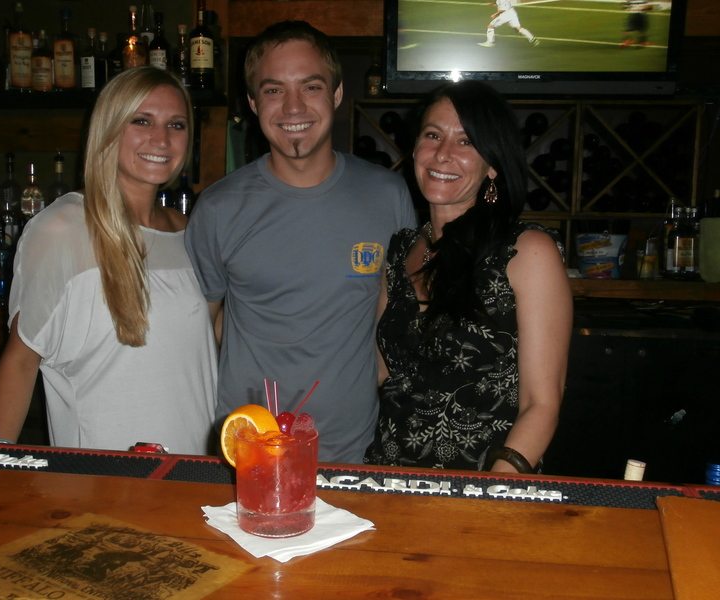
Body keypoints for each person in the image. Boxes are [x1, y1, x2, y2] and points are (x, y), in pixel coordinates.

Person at [185, 21, 416, 464]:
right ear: (253, 103)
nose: (293, 107)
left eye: (310, 86)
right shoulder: (217, 208)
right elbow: (201, 330)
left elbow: (392, 317)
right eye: (273, 90)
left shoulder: (388, 196)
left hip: (352, 454)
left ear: (336, 94)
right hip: (247, 453)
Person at [0, 66, 217, 454]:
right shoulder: (61, 229)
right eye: (141, 120)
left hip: (194, 475)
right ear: (109, 128)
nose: (161, 138)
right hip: (102, 478)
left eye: (176, 125)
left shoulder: (190, 232)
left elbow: (205, 343)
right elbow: (21, 361)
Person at [364, 81, 572, 473]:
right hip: (391, 478)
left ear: (493, 163)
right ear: (414, 149)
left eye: (466, 142)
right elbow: (383, 374)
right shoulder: (400, 250)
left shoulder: (528, 252)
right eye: (433, 135)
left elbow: (542, 403)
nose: (443, 154)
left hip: (486, 488)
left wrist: (492, 492)